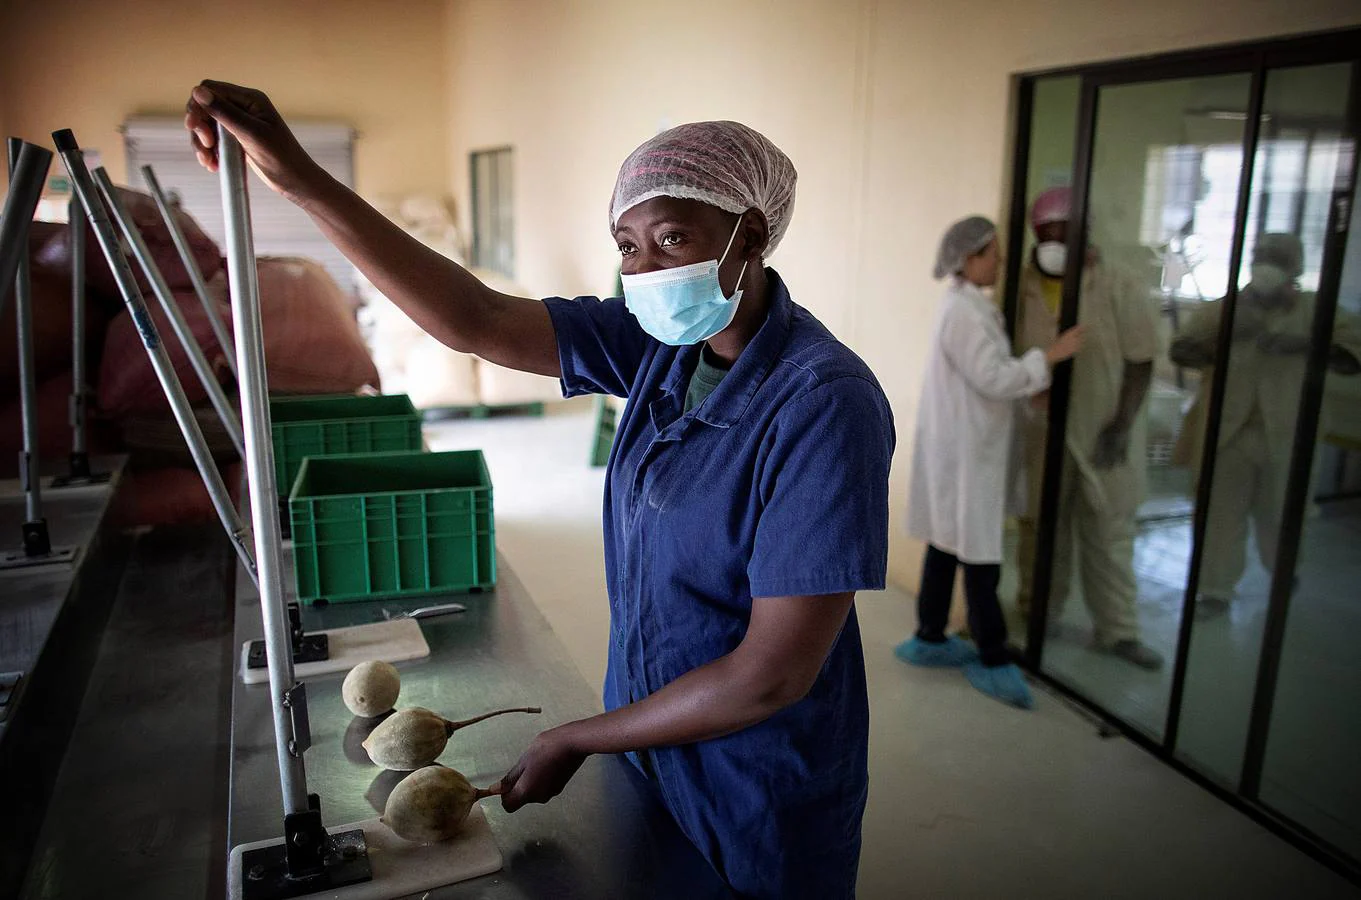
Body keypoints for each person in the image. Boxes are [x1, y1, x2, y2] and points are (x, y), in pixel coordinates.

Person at [185, 83, 893, 899]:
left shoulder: (822, 403)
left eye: (671, 239)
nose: (646, 269)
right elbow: (474, 317)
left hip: (757, 772)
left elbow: (772, 674)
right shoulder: (660, 347)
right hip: (649, 725)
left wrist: (579, 738)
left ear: (752, 232)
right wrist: (299, 179)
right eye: (627, 246)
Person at [901, 216, 1083, 709]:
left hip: (963, 448)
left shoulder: (968, 307)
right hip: (965, 457)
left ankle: (931, 634)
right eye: (993, 253)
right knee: (979, 557)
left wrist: (1029, 389)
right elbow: (993, 378)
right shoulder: (962, 311)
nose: (1001, 261)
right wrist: (1051, 356)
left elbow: (988, 380)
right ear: (968, 258)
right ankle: (994, 656)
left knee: (946, 545)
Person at [1170, 233, 1361, 618]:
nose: (1265, 265)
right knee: (1220, 516)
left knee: (1282, 515)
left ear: (1295, 268)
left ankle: (1283, 576)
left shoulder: (1317, 312)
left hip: (1289, 435)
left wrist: (1308, 344)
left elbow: (1352, 358)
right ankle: (1215, 590)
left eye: (1275, 259)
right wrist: (1226, 339)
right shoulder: (1227, 309)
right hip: (1229, 433)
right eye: (1259, 257)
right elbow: (1181, 350)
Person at [1014, 187, 1164, 670]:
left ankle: (1117, 630)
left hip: (1103, 431)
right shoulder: (1022, 286)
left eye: (1066, 231)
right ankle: (1040, 613)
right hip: (1043, 432)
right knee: (1041, 529)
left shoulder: (1120, 283)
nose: (1056, 240)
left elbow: (1141, 361)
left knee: (1108, 532)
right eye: (1048, 232)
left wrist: (1121, 425)